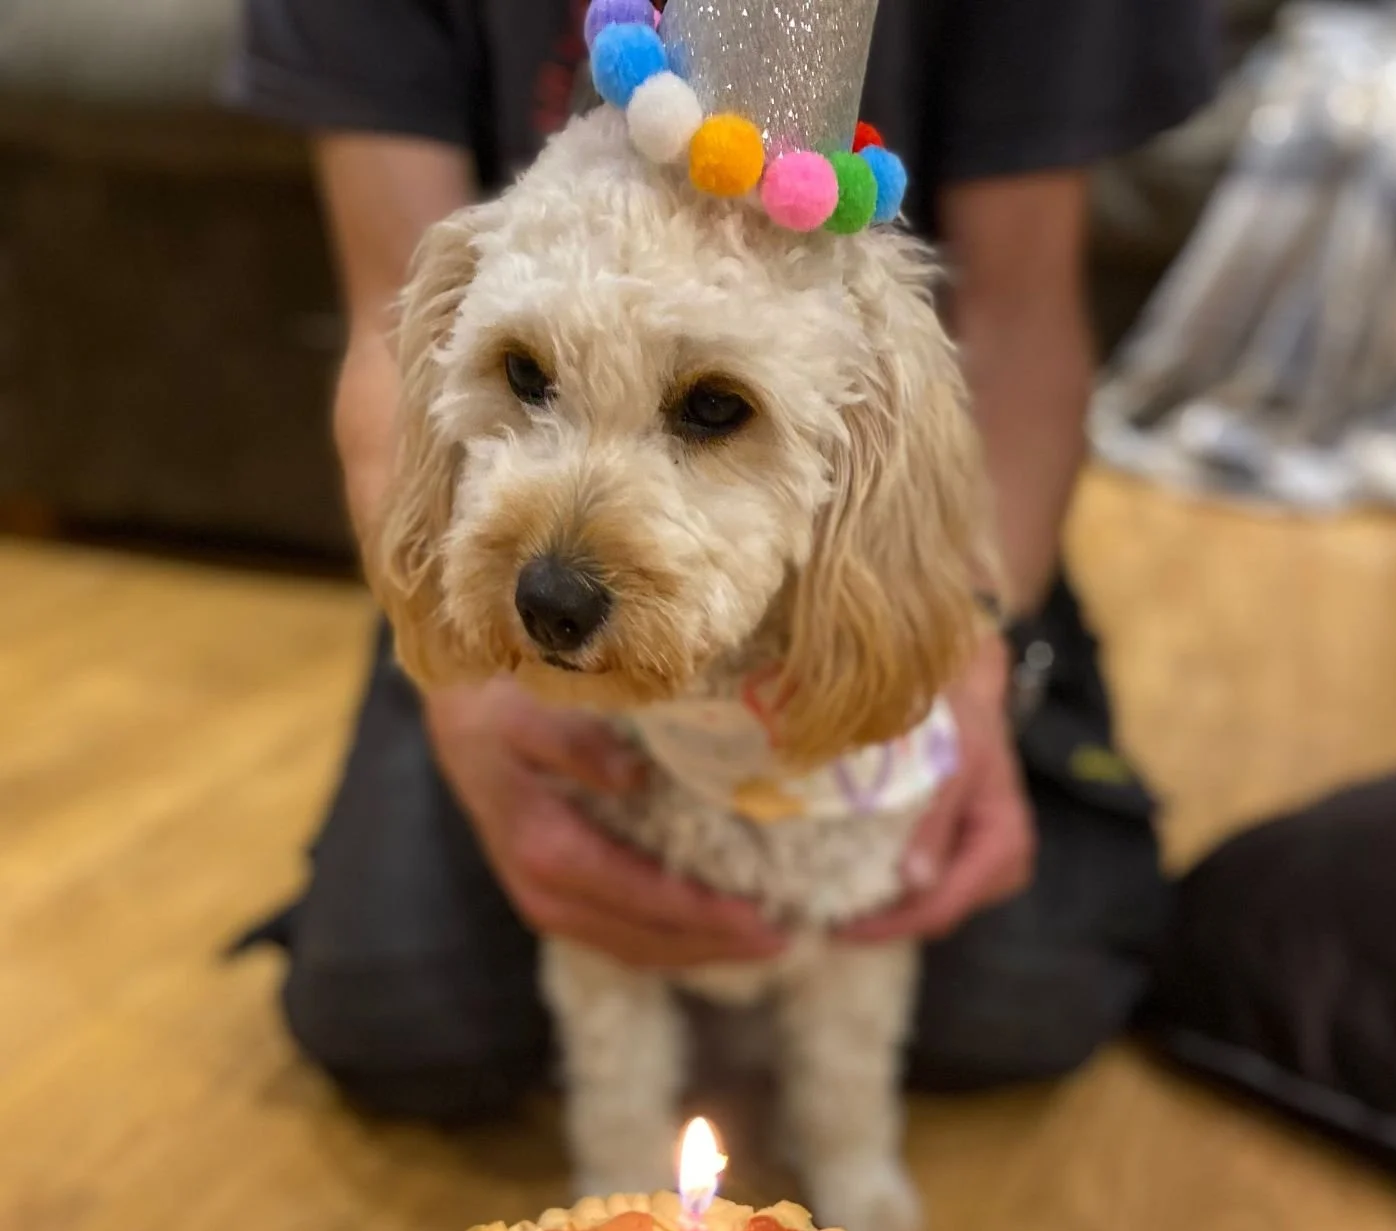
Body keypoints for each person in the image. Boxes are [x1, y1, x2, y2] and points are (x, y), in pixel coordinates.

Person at [232, 0, 1215, 1122]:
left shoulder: (881, 403)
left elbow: (1020, 316)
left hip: (929, 524)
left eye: (710, 407)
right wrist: (460, 695)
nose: (564, 563)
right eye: (527, 375)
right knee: (397, 1019)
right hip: (471, 523)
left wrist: (979, 648)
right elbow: (389, 319)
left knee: (1023, 1003)